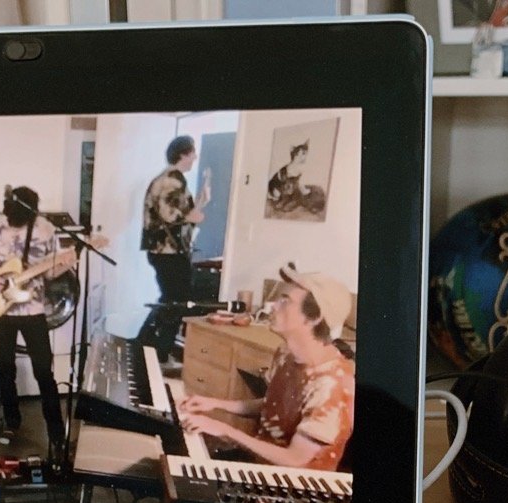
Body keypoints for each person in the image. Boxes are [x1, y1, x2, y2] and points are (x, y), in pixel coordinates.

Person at [178, 266, 354, 471]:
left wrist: (226, 430)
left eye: (285, 301)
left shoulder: (333, 384)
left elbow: (297, 460)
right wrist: (215, 404)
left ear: (313, 318)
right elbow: (274, 406)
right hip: (260, 465)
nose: (272, 306)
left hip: (292, 489)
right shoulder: (286, 353)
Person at [0, 186, 70, 460]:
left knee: (44, 372)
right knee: (5, 370)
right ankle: (12, 423)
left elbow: (51, 271)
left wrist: (67, 262)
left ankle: (56, 434)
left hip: (33, 310)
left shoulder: (45, 229)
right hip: (0, 310)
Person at [137, 134, 209, 363]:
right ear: (183, 154)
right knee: (177, 301)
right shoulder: (171, 180)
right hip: (167, 251)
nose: (195, 157)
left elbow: (179, 214)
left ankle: (147, 346)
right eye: (192, 153)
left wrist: (200, 202)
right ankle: (154, 349)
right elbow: (171, 215)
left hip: (166, 251)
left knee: (171, 299)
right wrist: (195, 214)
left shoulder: (172, 179)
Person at [265, 141, 327, 218]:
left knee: (290, 201)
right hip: (278, 187)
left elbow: (298, 183)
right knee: (278, 195)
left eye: (304, 154)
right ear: (294, 155)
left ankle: (288, 201)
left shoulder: (302, 168)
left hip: (290, 191)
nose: (302, 157)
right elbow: (284, 183)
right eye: (299, 155)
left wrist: (302, 189)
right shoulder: (290, 167)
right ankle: (280, 199)